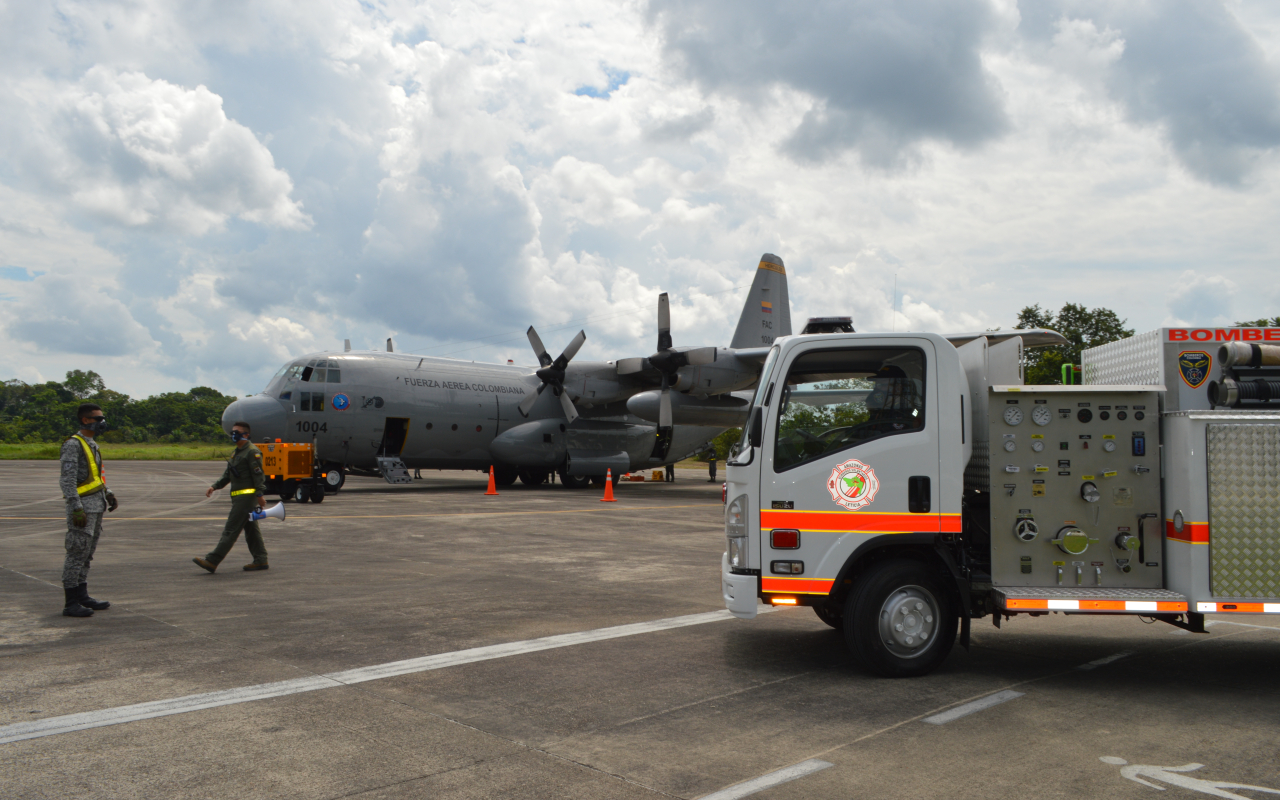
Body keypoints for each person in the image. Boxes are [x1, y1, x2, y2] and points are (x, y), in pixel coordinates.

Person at [58, 403, 118, 617]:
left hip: (96, 506)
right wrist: (76, 508)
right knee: (76, 553)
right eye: (97, 418)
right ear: (85, 420)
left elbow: (95, 476)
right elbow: (67, 480)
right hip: (82, 509)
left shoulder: (91, 444)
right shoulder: (73, 444)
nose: (102, 422)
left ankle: (82, 595)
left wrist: (108, 492)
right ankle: (70, 602)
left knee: (87, 554)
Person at [194, 421, 269, 573]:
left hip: (246, 499)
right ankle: (261, 560)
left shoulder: (252, 452)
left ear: (246, 434)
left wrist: (260, 494)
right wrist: (214, 486)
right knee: (251, 531)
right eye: (233, 431)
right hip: (239, 498)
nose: (234, 434)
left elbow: (258, 475)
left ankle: (212, 561)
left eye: (237, 431)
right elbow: (228, 474)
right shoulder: (236, 452)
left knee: (231, 530)